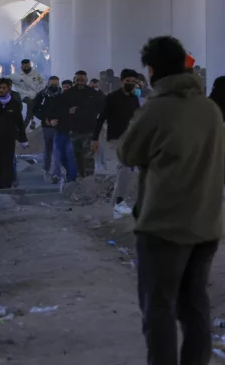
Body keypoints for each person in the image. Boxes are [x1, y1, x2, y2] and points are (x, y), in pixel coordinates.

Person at [118, 36, 225, 365]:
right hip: (206, 223)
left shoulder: (157, 107)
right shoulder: (209, 108)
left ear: (151, 71)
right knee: (195, 306)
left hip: (164, 226)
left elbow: (127, 152)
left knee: (158, 307)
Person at [92, 69, 141, 220]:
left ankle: (117, 205)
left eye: (133, 82)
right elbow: (101, 118)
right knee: (125, 165)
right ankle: (119, 202)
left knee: (130, 168)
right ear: (122, 81)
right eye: (128, 81)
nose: (131, 84)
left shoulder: (134, 99)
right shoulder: (112, 98)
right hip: (116, 137)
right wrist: (95, 139)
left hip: (131, 138)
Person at [59, 71, 104, 178]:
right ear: (74, 79)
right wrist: (68, 111)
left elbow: (102, 106)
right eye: (78, 80)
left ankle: (88, 180)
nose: (80, 82)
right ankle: (79, 177)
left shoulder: (93, 93)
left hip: (90, 129)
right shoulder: (68, 93)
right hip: (73, 130)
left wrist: (93, 114)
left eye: (82, 80)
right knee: (76, 156)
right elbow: (59, 109)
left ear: (86, 80)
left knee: (88, 156)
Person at [0, 78, 28, 190]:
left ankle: (7, 185)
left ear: (8, 89)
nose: (1, 90)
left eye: (4, 88)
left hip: (9, 138)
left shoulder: (14, 104)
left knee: (8, 162)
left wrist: (23, 139)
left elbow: (19, 123)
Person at [31, 76, 63, 179]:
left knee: (57, 150)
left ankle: (56, 173)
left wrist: (59, 121)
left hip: (59, 126)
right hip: (46, 126)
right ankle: (46, 169)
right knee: (48, 150)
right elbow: (35, 109)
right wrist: (45, 119)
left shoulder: (62, 95)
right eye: (52, 84)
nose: (54, 86)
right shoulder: (42, 94)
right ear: (48, 84)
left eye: (56, 84)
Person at [11, 59, 45, 128]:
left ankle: (33, 121)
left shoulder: (35, 73)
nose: (26, 67)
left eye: (28, 66)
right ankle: (25, 124)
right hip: (23, 94)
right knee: (30, 104)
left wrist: (40, 89)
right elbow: (7, 79)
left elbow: (42, 81)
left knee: (33, 107)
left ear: (30, 65)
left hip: (34, 94)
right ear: (21, 66)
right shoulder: (16, 75)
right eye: (24, 66)